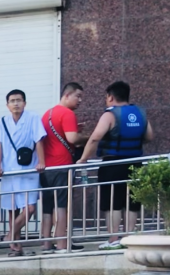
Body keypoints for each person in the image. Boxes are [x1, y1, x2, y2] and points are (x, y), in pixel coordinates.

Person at [77, 81, 153, 249]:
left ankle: (113, 239)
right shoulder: (140, 113)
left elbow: (95, 138)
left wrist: (83, 159)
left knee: (113, 203)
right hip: (135, 163)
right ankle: (129, 237)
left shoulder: (110, 115)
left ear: (110, 97)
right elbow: (149, 136)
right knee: (132, 202)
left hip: (113, 164)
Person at [0, 90, 46, 256]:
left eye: (19, 100)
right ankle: (16, 246)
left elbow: (39, 140)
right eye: (12, 101)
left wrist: (41, 161)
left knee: (29, 208)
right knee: (12, 209)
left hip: (28, 170)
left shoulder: (33, 118)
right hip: (9, 170)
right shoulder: (3, 121)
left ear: (25, 103)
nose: (16, 103)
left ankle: (10, 234)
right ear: (7, 105)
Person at [40, 83, 86, 253]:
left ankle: (46, 244)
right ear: (67, 95)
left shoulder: (47, 114)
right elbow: (72, 139)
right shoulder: (68, 113)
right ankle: (61, 244)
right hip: (62, 165)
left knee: (47, 207)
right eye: (77, 96)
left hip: (46, 167)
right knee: (61, 206)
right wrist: (88, 137)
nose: (80, 100)